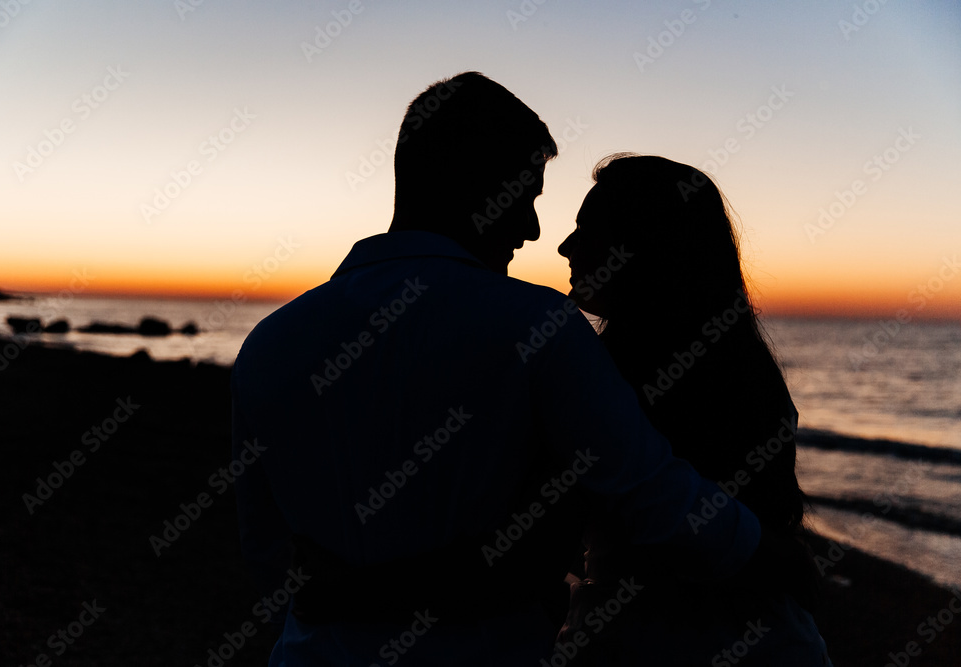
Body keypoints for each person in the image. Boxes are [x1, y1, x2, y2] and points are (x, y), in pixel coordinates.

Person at [231, 74, 763, 667]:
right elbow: (652, 495)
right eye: (526, 196)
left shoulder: (269, 343)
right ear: (472, 181)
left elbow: (266, 560)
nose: (534, 230)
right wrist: (765, 552)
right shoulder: (535, 326)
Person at [557, 153, 832, 666]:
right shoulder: (731, 365)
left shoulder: (623, 377)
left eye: (586, 230)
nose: (564, 246)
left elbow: (662, 513)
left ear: (644, 249)